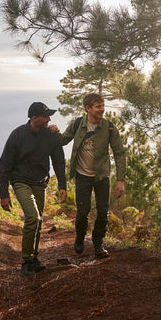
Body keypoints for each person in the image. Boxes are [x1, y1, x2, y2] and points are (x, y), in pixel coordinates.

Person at [0, 102, 67, 276]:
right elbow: (4, 164)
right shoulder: (18, 135)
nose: (49, 119)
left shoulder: (51, 135)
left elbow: (58, 161)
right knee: (33, 217)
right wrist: (4, 194)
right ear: (34, 118)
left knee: (39, 221)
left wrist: (62, 185)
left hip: (40, 182)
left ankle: (34, 258)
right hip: (21, 181)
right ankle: (26, 261)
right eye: (46, 116)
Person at [59, 93, 126, 258]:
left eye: (103, 106)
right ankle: (80, 238)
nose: (102, 110)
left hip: (102, 176)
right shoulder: (77, 124)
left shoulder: (109, 127)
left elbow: (119, 154)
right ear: (88, 108)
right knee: (83, 211)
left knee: (103, 212)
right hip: (82, 176)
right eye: (98, 107)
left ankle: (98, 244)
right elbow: (61, 140)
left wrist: (120, 180)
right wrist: (52, 131)